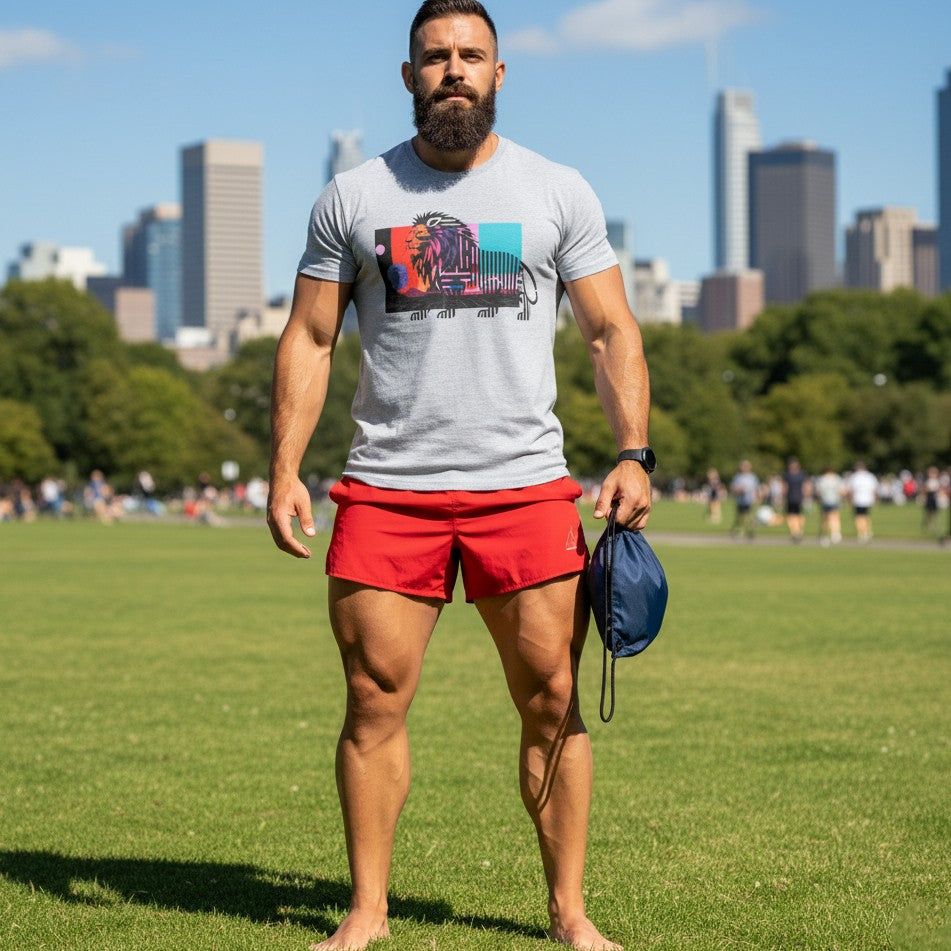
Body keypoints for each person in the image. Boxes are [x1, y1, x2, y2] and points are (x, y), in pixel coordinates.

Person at [266, 4, 651, 950]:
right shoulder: (351, 198)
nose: (452, 71)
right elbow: (310, 337)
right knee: (371, 698)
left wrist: (633, 449)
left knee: (553, 697)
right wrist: (283, 469)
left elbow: (610, 329)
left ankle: (568, 911)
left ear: (499, 73)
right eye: (434, 56)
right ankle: (367, 910)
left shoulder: (556, 190)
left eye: (469, 56)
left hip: (525, 488)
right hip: (387, 490)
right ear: (407, 77)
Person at [846, 461, 878, 543]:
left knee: (858, 517)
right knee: (866, 516)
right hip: (868, 499)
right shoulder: (870, 476)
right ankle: (867, 531)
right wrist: (875, 500)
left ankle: (861, 533)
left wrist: (850, 500)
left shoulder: (855, 477)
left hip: (858, 500)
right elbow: (874, 489)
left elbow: (851, 490)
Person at [729, 460, 759, 540]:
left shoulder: (753, 477)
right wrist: (738, 490)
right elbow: (733, 487)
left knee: (748, 516)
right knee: (739, 516)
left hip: (748, 500)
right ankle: (736, 529)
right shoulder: (738, 477)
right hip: (740, 500)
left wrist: (756, 497)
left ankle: (749, 531)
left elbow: (756, 488)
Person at [815, 466, 844, 546]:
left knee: (825, 519)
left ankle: (825, 536)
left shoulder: (823, 479)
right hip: (834, 501)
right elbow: (841, 491)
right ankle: (835, 534)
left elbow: (819, 491)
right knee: (834, 518)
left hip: (826, 501)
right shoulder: (837, 478)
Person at [782, 457, 808, 543]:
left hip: (798, 497)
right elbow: (785, 487)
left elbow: (805, 486)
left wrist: (806, 496)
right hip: (791, 497)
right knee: (791, 516)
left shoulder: (800, 474)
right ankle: (795, 532)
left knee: (798, 515)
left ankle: (797, 531)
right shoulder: (788, 475)